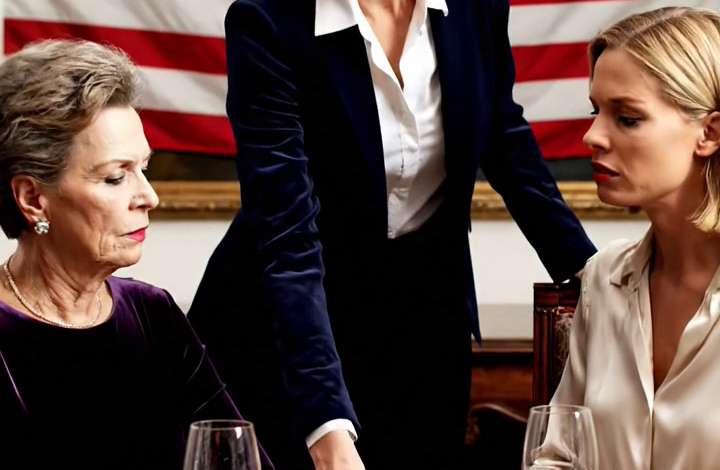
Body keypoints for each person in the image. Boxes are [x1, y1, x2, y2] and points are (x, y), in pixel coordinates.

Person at [187, 0, 596, 469]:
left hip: (424, 325)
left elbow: (502, 133)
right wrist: (325, 424)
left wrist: (594, 273)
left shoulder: (476, 7)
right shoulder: (268, 19)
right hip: (285, 332)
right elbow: (287, 234)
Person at [0, 39, 273, 470]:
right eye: (115, 177)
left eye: (143, 168)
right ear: (33, 198)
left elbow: (231, 456)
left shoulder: (153, 314)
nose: (149, 196)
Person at [550, 6, 720, 470]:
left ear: (709, 132)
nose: (592, 136)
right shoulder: (604, 275)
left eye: (626, 118)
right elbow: (560, 453)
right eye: (595, 111)